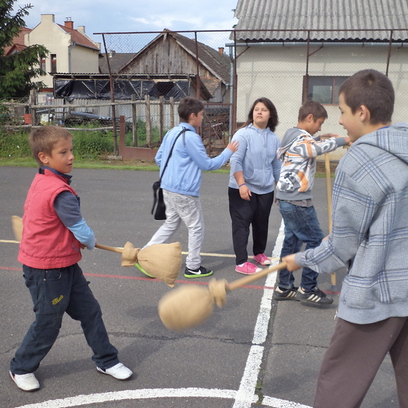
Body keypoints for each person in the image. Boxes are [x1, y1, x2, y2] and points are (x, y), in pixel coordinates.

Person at [283, 69, 408, 407]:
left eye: (341, 111)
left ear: (362, 112)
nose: (339, 120)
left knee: (339, 382)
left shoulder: (359, 162)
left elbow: (342, 246)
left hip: (377, 290)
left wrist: (301, 259)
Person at [10, 126, 132, 392]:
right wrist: (88, 241)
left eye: (71, 150)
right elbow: (81, 230)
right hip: (47, 269)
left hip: (63, 264)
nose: (71, 156)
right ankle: (21, 367)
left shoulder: (43, 179)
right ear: (44, 157)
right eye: (63, 152)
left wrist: (78, 242)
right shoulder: (60, 192)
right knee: (48, 322)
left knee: (90, 311)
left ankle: (106, 360)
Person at [141, 97, 238, 278]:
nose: (203, 118)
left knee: (171, 223)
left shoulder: (172, 132)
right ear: (193, 116)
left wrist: (174, 171)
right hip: (184, 191)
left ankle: (145, 254)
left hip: (167, 187)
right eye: (201, 115)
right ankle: (193, 266)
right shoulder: (191, 137)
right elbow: (207, 164)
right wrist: (229, 151)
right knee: (196, 227)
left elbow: (159, 158)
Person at [274, 100, 351, 305]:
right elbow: (311, 150)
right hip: (297, 201)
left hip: (287, 198)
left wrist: (317, 137)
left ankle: (284, 286)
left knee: (291, 242)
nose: (320, 127)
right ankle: (308, 288)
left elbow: (308, 147)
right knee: (317, 242)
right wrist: (344, 139)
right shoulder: (301, 140)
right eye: (319, 123)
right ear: (309, 118)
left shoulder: (292, 136)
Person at [228, 97, 281, 275]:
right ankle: (241, 262)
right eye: (256, 109)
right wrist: (241, 184)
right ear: (252, 113)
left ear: (270, 115)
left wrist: (278, 188)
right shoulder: (242, 134)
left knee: (261, 224)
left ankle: (259, 253)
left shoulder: (274, 138)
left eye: (264, 109)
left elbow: (276, 165)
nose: (259, 112)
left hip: (265, 189)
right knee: (241, 224)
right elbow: (235, 160)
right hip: (242, 188)